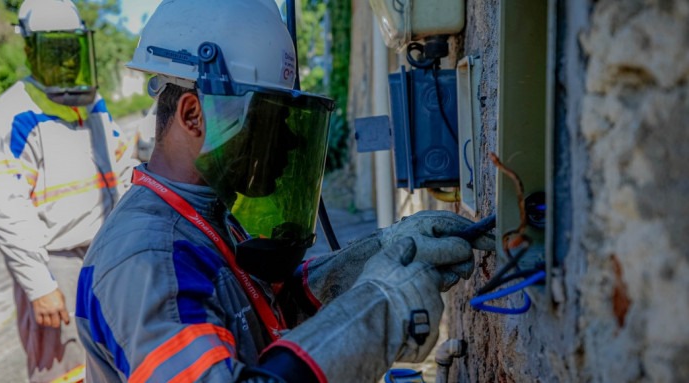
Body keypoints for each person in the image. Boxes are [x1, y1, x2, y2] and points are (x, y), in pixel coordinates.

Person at [76, 1, 492, 382]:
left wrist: (380, 253)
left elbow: (264, 306)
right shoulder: (147, 263)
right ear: (193, 115)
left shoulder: (204, 213)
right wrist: (378, 308)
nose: (290, 144)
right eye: (269, 122)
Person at [0, 0, 138, 381]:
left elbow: (121, 166)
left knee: (112, 360)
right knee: (66, 368)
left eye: (71, 48)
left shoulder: (92, 103)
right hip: (57, 264)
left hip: (105, 256)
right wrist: (40, 285)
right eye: (55, 49)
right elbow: (6, 208)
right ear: (30, 49)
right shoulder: (11, 114)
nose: (66, 59)